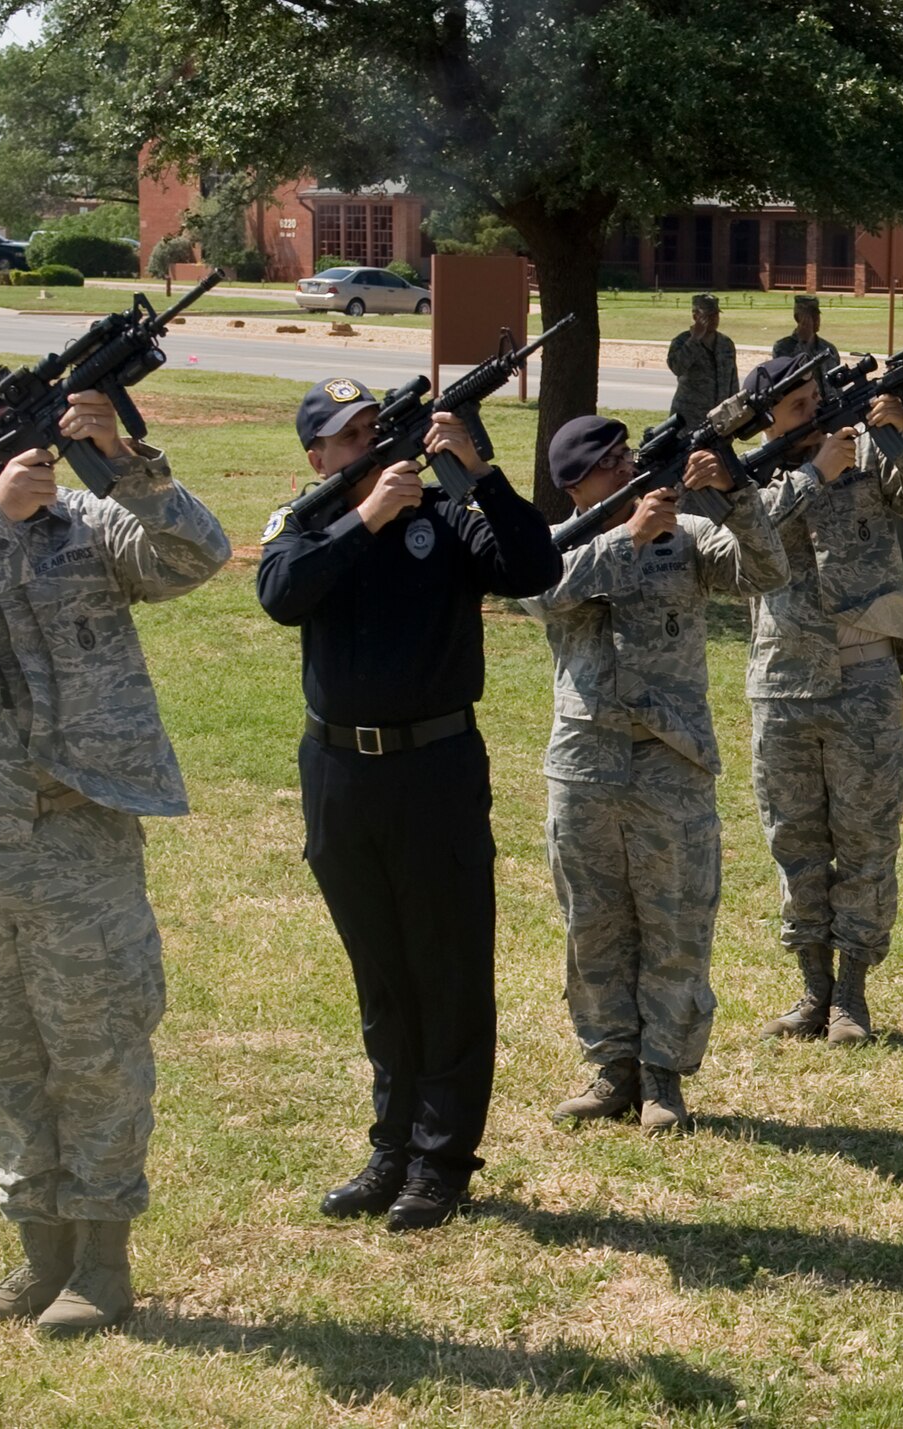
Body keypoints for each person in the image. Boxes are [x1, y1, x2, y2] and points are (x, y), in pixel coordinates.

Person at [0, 366, 230, 1333]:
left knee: (98, 1045)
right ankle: (36, 1256)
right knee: (5, 1054)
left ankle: (102, 1262)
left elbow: (197, 557)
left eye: (3, 427)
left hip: (80, 831)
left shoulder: (88, 527)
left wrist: (125, 465)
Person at [255, 377, 560, 1232]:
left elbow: (534, 567)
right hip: (340, 774)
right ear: (317, 456)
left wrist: (481, 473)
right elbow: (281, 596)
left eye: (373, 430)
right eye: (348, 439)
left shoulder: (448, 513)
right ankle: (390, 1145)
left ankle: (442, 1158)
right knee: (382, 971)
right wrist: (364, 521)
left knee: (448, 967)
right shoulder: (306, 520)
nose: (367, 447)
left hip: (435, 766)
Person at [529, 412, 788, 1132]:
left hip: (672, 759)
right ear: (577, 483)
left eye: (629, 455)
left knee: (676, 917)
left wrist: (735, 492)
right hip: (586, 762)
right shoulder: (555, 545)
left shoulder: (691, 535)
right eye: (611, 463)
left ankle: (663, 1077)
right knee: (595, 921)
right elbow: (544, 594)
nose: (630, 468)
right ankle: (611, 1066)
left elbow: (769, 572)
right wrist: (626, 537)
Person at [741, 356, 903, 1045]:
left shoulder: (868, 459)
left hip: (863, 675)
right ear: (766, 417)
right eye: (797, 406)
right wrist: (811, 480)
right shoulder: (751, 475)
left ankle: (852, 999)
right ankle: (812, 990)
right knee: (796, 839)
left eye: (817, 398)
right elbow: (740, 541)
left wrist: (897, 436)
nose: (815, 412)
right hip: (782, 682)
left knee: (866, 837)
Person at [666, 293, 739, 429]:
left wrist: (735, 414)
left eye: (716, 315)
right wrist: (694, 340)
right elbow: (677, 368)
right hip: (689, 419)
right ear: (695, 316)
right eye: (708, 316)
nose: (713, 319)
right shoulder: (682, 341)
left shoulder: (726, 343)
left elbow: (733, 382)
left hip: (719, 419)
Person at [770, 294, 842, 379]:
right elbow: (789, 380)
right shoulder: (783, 348)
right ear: (797, 318)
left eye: (817, 315)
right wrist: (804, 341)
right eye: (810, 316)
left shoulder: (829, 349)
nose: (816, 320)